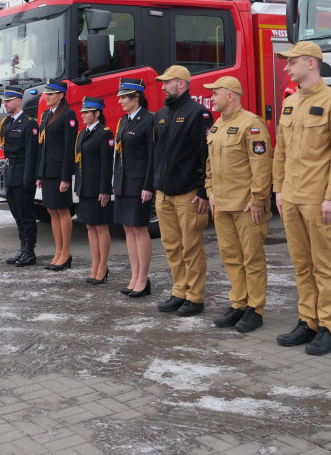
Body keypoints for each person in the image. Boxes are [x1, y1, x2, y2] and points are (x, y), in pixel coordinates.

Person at [273, 41, 331, 355]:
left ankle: (328, 328)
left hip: (319, 200)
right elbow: (280, 152)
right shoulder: (290, 102)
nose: (286, 67)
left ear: (311, 63)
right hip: (292, 198)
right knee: (301, 265)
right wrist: (278, 190)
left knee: (324, 265)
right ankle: (307, 321)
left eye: (291, 62)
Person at [205, 76, 273, 333]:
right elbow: (210, 164)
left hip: (246, 206)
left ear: (230, 95)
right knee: (231, 258)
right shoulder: (217, 125)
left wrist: (258, 199)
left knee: (252, 258)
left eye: (216, 93)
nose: (212, 97)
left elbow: (262, 165)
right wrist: (210, 192)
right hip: (222, 205)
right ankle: (239, 304)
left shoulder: (251, 124)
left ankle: (255, 309)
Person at [152, 65, 213, 317]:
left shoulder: (198, 113)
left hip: (189, 194)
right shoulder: (161, 113)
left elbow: (206, 156)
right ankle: (179, 291)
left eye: (167, 82)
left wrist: (204, 191)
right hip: (164, 194)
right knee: (172, 246)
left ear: (182, 83)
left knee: (191, 247)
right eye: (163, 83)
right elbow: (156, 153)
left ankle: (195, 297)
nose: (163, 87)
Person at [113, 78, 156, 297]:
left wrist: (148, 186)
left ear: (136, 96)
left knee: (139, 229)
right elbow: (118, 154)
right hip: (123, 183)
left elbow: (152, 157)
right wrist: (115, 182)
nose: (120, 101)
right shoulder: (123, 121)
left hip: (139, 184)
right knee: (128, 229)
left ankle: (143, 279)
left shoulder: (149, 120)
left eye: (124, 97)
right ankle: (134, 276)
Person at [35, 79, 79, 272]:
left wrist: (65, 177)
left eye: (51, 94)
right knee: (52, 210)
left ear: (61, 95)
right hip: (47, 171)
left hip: (59, 172)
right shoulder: (45, 115)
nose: (47, 97)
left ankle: (66, 253)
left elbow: (70, 148)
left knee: (62, 210)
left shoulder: (68, 115)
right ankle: (58, 251)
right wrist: (39, 173)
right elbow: (42, 147)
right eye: (46, 94)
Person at [75, 96, 114, 284]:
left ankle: (102, 266)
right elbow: (79, 162)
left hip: (98, 187)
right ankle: (95, 264)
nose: (83, 115)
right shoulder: (83, 133)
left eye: (86, 112)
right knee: (90, 226)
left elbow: (107, 163)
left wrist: (105, 189)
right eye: (82, 112)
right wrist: (78, 186)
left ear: (97, 113)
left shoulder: (104, 133)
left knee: (100, 226)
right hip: (85, 187)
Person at [0, 87, 39, 267]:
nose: (5, 104)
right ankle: (23, 248)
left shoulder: (29, 124)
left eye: (8, 101)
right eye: (5, 101)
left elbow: (32, 154)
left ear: (18, 101)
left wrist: (29, 178)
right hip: (10, 172)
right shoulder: (8, 122)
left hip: (22, 173)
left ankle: (30, 251)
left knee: (26, 215)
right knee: (17, 215)